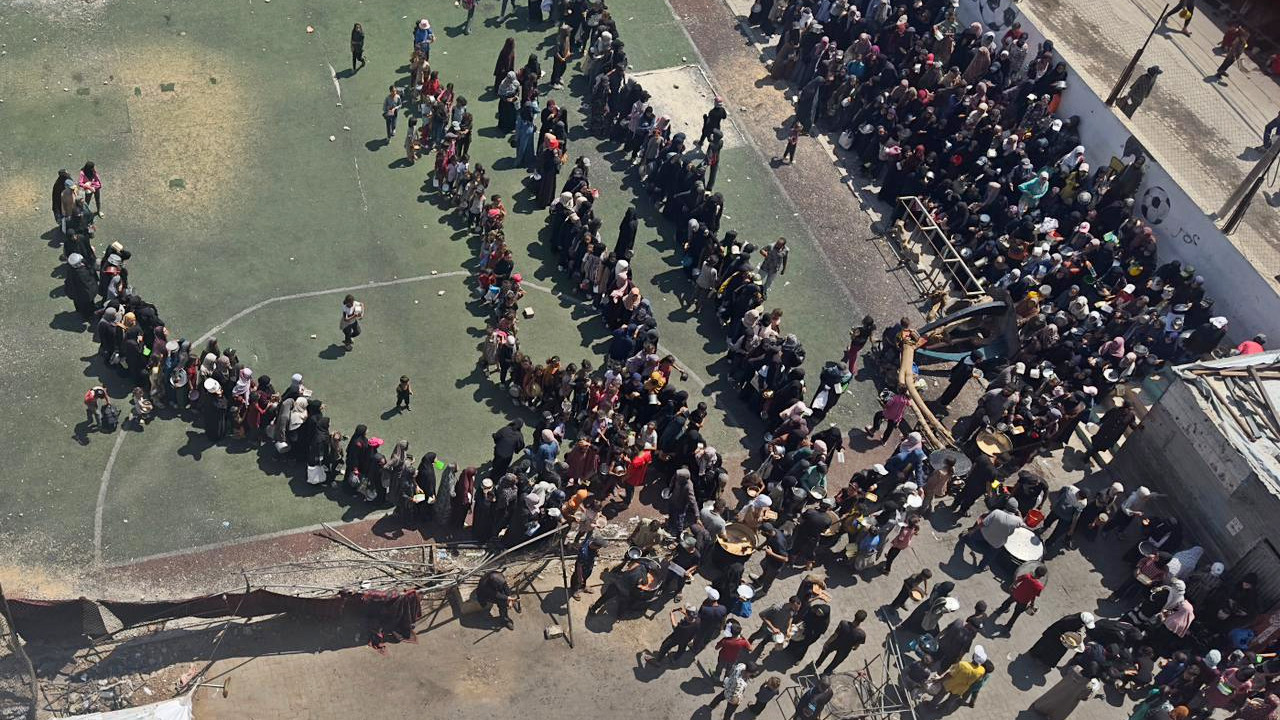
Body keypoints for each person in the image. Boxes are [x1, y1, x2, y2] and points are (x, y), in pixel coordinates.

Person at [1030, 663, 1100, 720]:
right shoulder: (1088, 686)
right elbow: (1083, 697)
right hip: (1069, 700)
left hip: (1060, 689)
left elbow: (1063, 672)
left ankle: (1040, 707)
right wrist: (1094, 694)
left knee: (1050, 698)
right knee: (1061, 709)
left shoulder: (1075, 668)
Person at [1028, 612, 1096, 667]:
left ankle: (1044, 660)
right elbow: (1057, 627)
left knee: (1054, 650)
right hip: (1054, 635)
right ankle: (1037, 656)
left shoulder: (1077, 620)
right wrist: (1063, 636)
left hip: (1062, 637)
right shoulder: (1069, 621)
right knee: (1047, 646)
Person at [992, 565, 1047, 631]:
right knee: (1016, 614)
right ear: (1042, 576)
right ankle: (1008, 626)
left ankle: (1001, 610)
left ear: (1035, 570)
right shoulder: (1039, 587)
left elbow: (1017, 580)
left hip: (1016, 594)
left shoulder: (1027, 576)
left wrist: (1012, 585)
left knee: (1008, 602)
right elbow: (1034, 596)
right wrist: (1032, 604)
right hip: (1024, 601)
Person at [814, 609, 867, 674]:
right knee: (835, 662)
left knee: (825, 653)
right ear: (863, 620)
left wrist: (827, 643)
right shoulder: (861, 634)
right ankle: (826, 672)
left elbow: (835, 635)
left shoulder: (843, 623)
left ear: (855, 615)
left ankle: (817, 664)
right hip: (845, 650)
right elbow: (856, 645)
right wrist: (854, 648)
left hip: (835, 643)